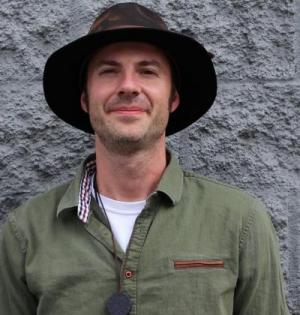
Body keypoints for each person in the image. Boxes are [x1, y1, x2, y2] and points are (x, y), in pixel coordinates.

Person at [0, 2, 290, 315]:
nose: (128, 86)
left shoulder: (240, 222)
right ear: (85, 98)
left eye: (147, 71)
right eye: (109, 71)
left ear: (173, 98)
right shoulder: (24, 233)